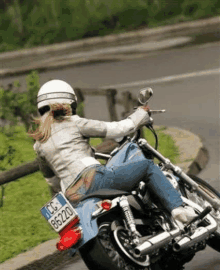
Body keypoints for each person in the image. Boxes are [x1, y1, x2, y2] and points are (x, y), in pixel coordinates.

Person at [29, 79, 196, 224]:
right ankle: (177, 209)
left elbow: (51, 180)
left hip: (73, 195)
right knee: (146, 167)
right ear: (70, 103)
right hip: (93, 180)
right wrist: (139, 115)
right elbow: (117, 130)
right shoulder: (74, 123)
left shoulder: (40, 143)